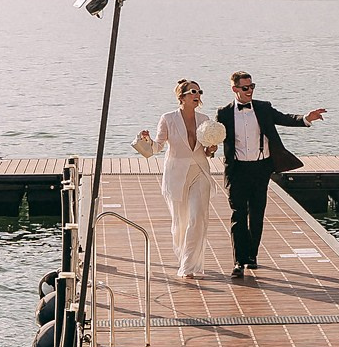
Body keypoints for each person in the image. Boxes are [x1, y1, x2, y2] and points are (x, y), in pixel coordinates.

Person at [214, 71, 325, 278]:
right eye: (245, 88)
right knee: (238, 215)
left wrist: (306, 119)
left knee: (256, 214)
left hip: (260, 168)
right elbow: (217, 137)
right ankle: (239, 261)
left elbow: (284, 118)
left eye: (252, 86)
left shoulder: (263, 108)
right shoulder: (224, 113)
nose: (250, 91)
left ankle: (252, 256)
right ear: (235, 89)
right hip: (237, 170)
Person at [134, 79, 221, 281]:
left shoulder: (204, 119)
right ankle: (185, 257)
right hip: (176, 174)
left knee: (197, 218)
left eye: (199, 91)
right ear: (181, 96)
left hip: (200, 171)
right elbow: (157, 148)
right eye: (193, 91)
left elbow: (206, 151)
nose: (197, 95)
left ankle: (188, 266)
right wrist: (146, 140)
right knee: (180, 222)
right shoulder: (168, 118)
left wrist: (211, 149)